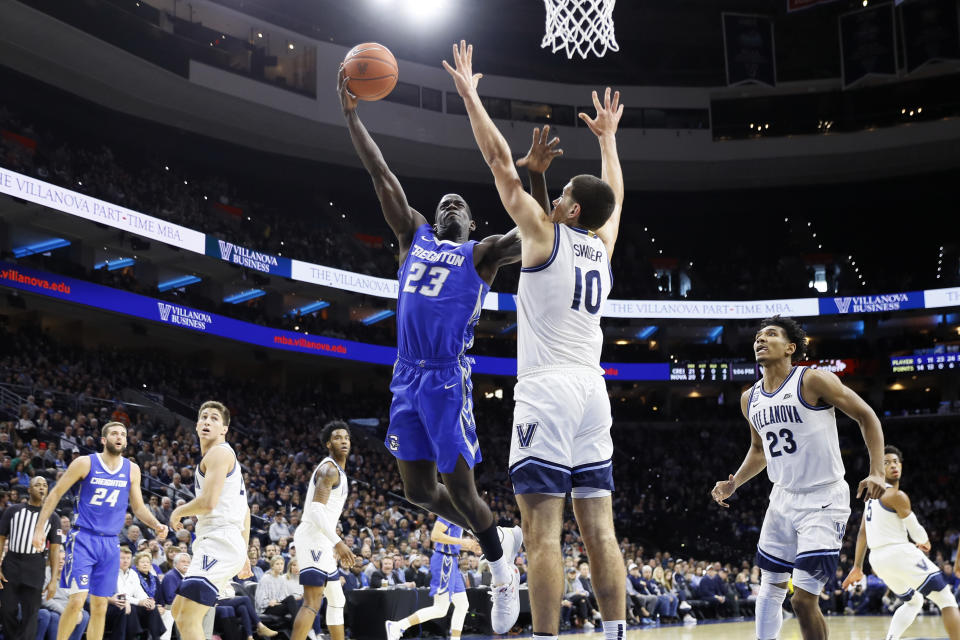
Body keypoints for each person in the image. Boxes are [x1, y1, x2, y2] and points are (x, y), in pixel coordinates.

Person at [339, 60, 533, 634]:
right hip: (405, 375)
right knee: (417, 490)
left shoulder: (484, 254)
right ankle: (497, 535)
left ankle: (500, 565)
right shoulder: (411, 236)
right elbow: (382, 176)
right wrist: (353, 118)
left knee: (462, 490)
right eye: (443, 201)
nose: (449, 205)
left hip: (448, 377)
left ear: (473, 225)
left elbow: (536, 234)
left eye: (459, 205)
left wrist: (561, 208)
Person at [444, 40, 626, 640]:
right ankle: (616, 633)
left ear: (570, 210)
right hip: (592, 391)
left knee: (544, 532)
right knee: (600, 530)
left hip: (547, 391)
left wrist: (471, 94)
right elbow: (615, 198)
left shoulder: (543, 238)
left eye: (565, 196)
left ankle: (546, 637)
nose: (560, 199)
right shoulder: (602, 246)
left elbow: (500, 165)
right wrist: (607, 141)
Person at [711, 315, 886, 640]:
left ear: (790, 347)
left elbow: (866, 415)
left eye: (771, 335)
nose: (760, 340)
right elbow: (759, 450)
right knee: (770, 588)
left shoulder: (812, 380)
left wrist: (877, 470)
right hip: (781, 499)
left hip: (823, 498)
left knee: (804, 601)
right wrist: (734, 482)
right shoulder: (750, 398)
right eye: (758, 336)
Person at [32, 422, 167, 640]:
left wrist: (156, 524)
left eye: (123, 434)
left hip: (110, 543)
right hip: (83, 538)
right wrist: (40, 529)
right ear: (104, 440)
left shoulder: (132, 469)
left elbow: (139, 507)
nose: (119, 436)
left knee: (100, 606)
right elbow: (55, 493)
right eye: (114, 433)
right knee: (76, 601)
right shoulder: (85, 463)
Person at [842, 445, 959, 640]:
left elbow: (863, 532)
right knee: (946, 598)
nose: (893, 465)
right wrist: (925, 542)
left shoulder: (870, 498)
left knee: (914, 602)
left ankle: (891, 638)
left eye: (895, 462)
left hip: (878, 560)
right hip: (898, 552)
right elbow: (916, 531)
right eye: (886, 463)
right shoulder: (896, 495)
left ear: (901, 466)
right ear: (880, 469)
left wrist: (857, 566)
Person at [169, 401, 251, 640]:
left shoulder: (220, 452)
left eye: (214, 418)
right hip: (222, 541)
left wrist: (178, 512)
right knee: (178, 610)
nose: (207, 421)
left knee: (188, 617)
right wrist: (243, 551)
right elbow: (244, 510)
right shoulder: (222, 456)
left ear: (224, 428)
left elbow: (207, 503)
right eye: (204, 417)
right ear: (196, 425)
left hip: (220, 542)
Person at [291, 421, 357, 640]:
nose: (343, 441)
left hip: (322, 540)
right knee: (312, 602)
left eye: (346, 437)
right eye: (338, 438)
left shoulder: (339, 471)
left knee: (338, 599)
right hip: (312, 537)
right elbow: (316, 510)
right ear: (329, 443)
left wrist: (332, 542)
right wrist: (338, 542)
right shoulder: (328, 469)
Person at [385, 517, 481, 640]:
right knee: (440, 609)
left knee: (463, 605)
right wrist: (462, 542)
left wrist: (471, 547)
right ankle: (397, 626)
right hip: (444, 561)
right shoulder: (448, 511)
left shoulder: (459, 513)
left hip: (452, 560)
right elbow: (435, 535)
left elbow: (450, 542)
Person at [0, 476, 62, 640]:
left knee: (31, 614)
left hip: (35, 565)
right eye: (37, 485)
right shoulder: (13, 511)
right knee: (7, 610)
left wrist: (54, 579)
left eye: (44, 485)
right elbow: (1, 539)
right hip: (11, 563)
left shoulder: (53, 517)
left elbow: (55, 550)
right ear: (29, 490)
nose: (42, 488)